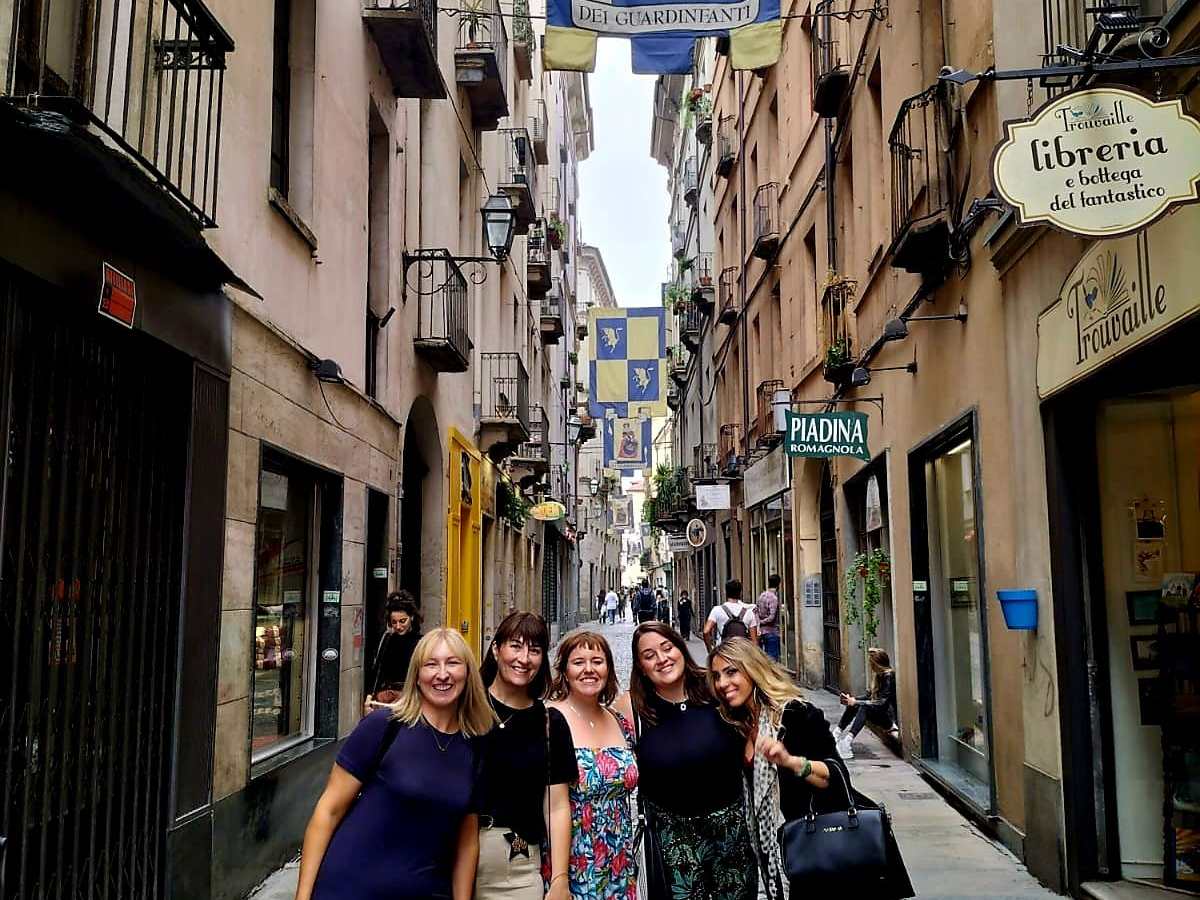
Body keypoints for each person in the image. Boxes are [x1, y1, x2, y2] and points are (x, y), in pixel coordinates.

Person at [295, 628, 495, 900]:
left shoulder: (474, 744)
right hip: (349, 888)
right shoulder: (383, 727)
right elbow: (327, 812)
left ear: (468, 673)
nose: (442, 674)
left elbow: (467, 839)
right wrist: (303, 896)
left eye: (453, 663)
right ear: (417, 675)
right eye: (431, 664)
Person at [712, 638, 914, 898]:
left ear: (753, 669)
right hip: (783, 849)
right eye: (716, 676)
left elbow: (834, 775)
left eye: (731, 672)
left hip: (822, 845)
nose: (722, 683)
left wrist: (791, 762)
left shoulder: (795, 713)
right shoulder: (737, 725)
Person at [630, 622, 757, 900]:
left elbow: (761, 710)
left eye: (667, 648)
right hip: (673, 843)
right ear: (640, 666)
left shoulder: (717, 689)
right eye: (649, 655)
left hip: (731, 836)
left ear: (681, 648)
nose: (662, 659)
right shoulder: (633, 710)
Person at [476, 612, 575, 900]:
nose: (524, 658)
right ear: (496, 650)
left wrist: (559, 879)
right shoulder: (467, 708)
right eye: (515, 646)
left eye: (535, 649)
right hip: (453, 853)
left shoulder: (548, 723)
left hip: (516, 861)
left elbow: (556, 806)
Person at [546, 631, 639, 900]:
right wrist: (559, 878)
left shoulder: (618, 720)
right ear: (564, 670)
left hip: (618, 857)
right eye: (578, 662)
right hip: (574, 858)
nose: (589, 669)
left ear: (608, 669)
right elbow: (553, 804)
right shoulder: (551, 719)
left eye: (597, 661)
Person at [833, 647, 898, 760]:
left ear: (877, 664)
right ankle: (836, 734)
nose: (870, 666)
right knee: (856, 704)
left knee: (863, 707)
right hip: (880, 712)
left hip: (889, 718)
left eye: (871, 663)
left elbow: (882, 703)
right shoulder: (879, 675)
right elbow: (869, 696)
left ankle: (846, 742)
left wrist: (857, 702)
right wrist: (852, 700)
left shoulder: (889, 676)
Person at [364, 592, 421, 711]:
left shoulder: (421, 642)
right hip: (384, 695)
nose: (398, 626)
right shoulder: (387, 639)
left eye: (402, 621)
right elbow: (377, 670)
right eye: (394, 622)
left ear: (411, 617)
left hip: (407, 696)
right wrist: (369, 696)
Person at [703, 579, 760, 650]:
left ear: (725, 592)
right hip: (742, 653)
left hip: (723, 652)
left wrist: (710, 650)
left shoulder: (717, 610)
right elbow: (754, 641)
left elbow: (706, 631)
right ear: (740, 593)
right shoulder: (749, 612)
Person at [756, 574, 783, 661]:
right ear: (779, 584)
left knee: (763, 659)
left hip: (762, 632)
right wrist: (762, 622)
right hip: (771, 632)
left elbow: (756, 611)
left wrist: (758, 622)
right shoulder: (774, 598)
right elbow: (772, 617)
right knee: (772, 660)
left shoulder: (762, 596)